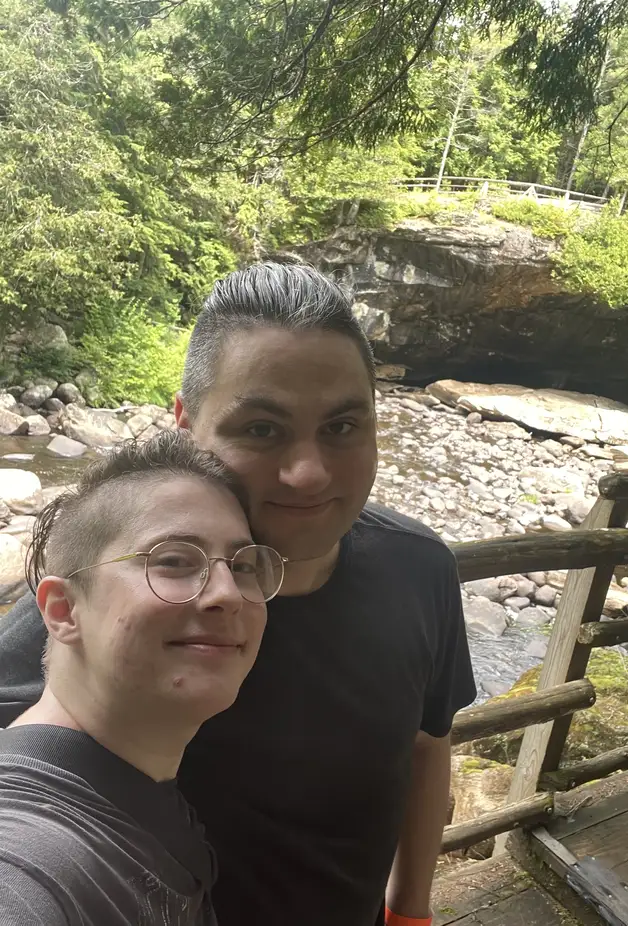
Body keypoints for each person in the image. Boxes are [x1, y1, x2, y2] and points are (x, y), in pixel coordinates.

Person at [0, 261, 476, 926]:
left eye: (341, 426)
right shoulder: (111, 607)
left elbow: (427, 745)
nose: (307, 473)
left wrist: (410, 909)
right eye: (260, 429)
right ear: (185, 425)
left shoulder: (419, 568)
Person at [0, 430, 284, 925]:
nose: (228, 594)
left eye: (242, 566)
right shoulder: (29, 857)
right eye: (173, 560)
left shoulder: (139, 788)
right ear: (64, 610)